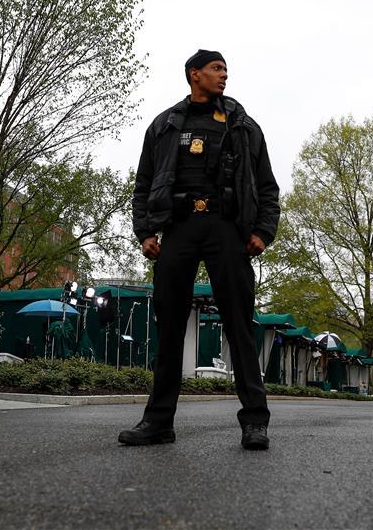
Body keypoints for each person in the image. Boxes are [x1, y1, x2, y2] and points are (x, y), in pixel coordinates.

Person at [119, 49, 280, 450]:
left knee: (239, 325)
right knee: (170, 327)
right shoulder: (165, 125)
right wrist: (145, 232)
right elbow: (143, 184)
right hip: (179, 228)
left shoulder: (244, 125)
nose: (224, 75)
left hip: (227, 229)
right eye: (216, 68)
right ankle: (158, 423)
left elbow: (266, 186)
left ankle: (255, 422)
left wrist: (263, 231)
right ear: (194, 74)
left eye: (225, 69)